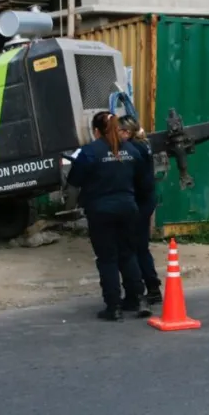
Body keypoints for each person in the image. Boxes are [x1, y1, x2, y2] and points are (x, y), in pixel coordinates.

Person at [66, 111, 151, 321]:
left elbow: (74, 182)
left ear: (96, 131)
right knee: (128, 254)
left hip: (100, 212)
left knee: (107, 259)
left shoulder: (89, 152)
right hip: (128, 209)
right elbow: (143, 181)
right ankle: (137, 299)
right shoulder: (132, 150)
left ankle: (113, 306)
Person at [118, 115, 162, 306]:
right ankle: (151, 288)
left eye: (118, 131)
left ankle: (140, 290)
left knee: (134, 248)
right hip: (146, 201)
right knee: (140, 247)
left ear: (126, 132)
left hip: (139, 204)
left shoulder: (133, 149)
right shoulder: (143, 144)